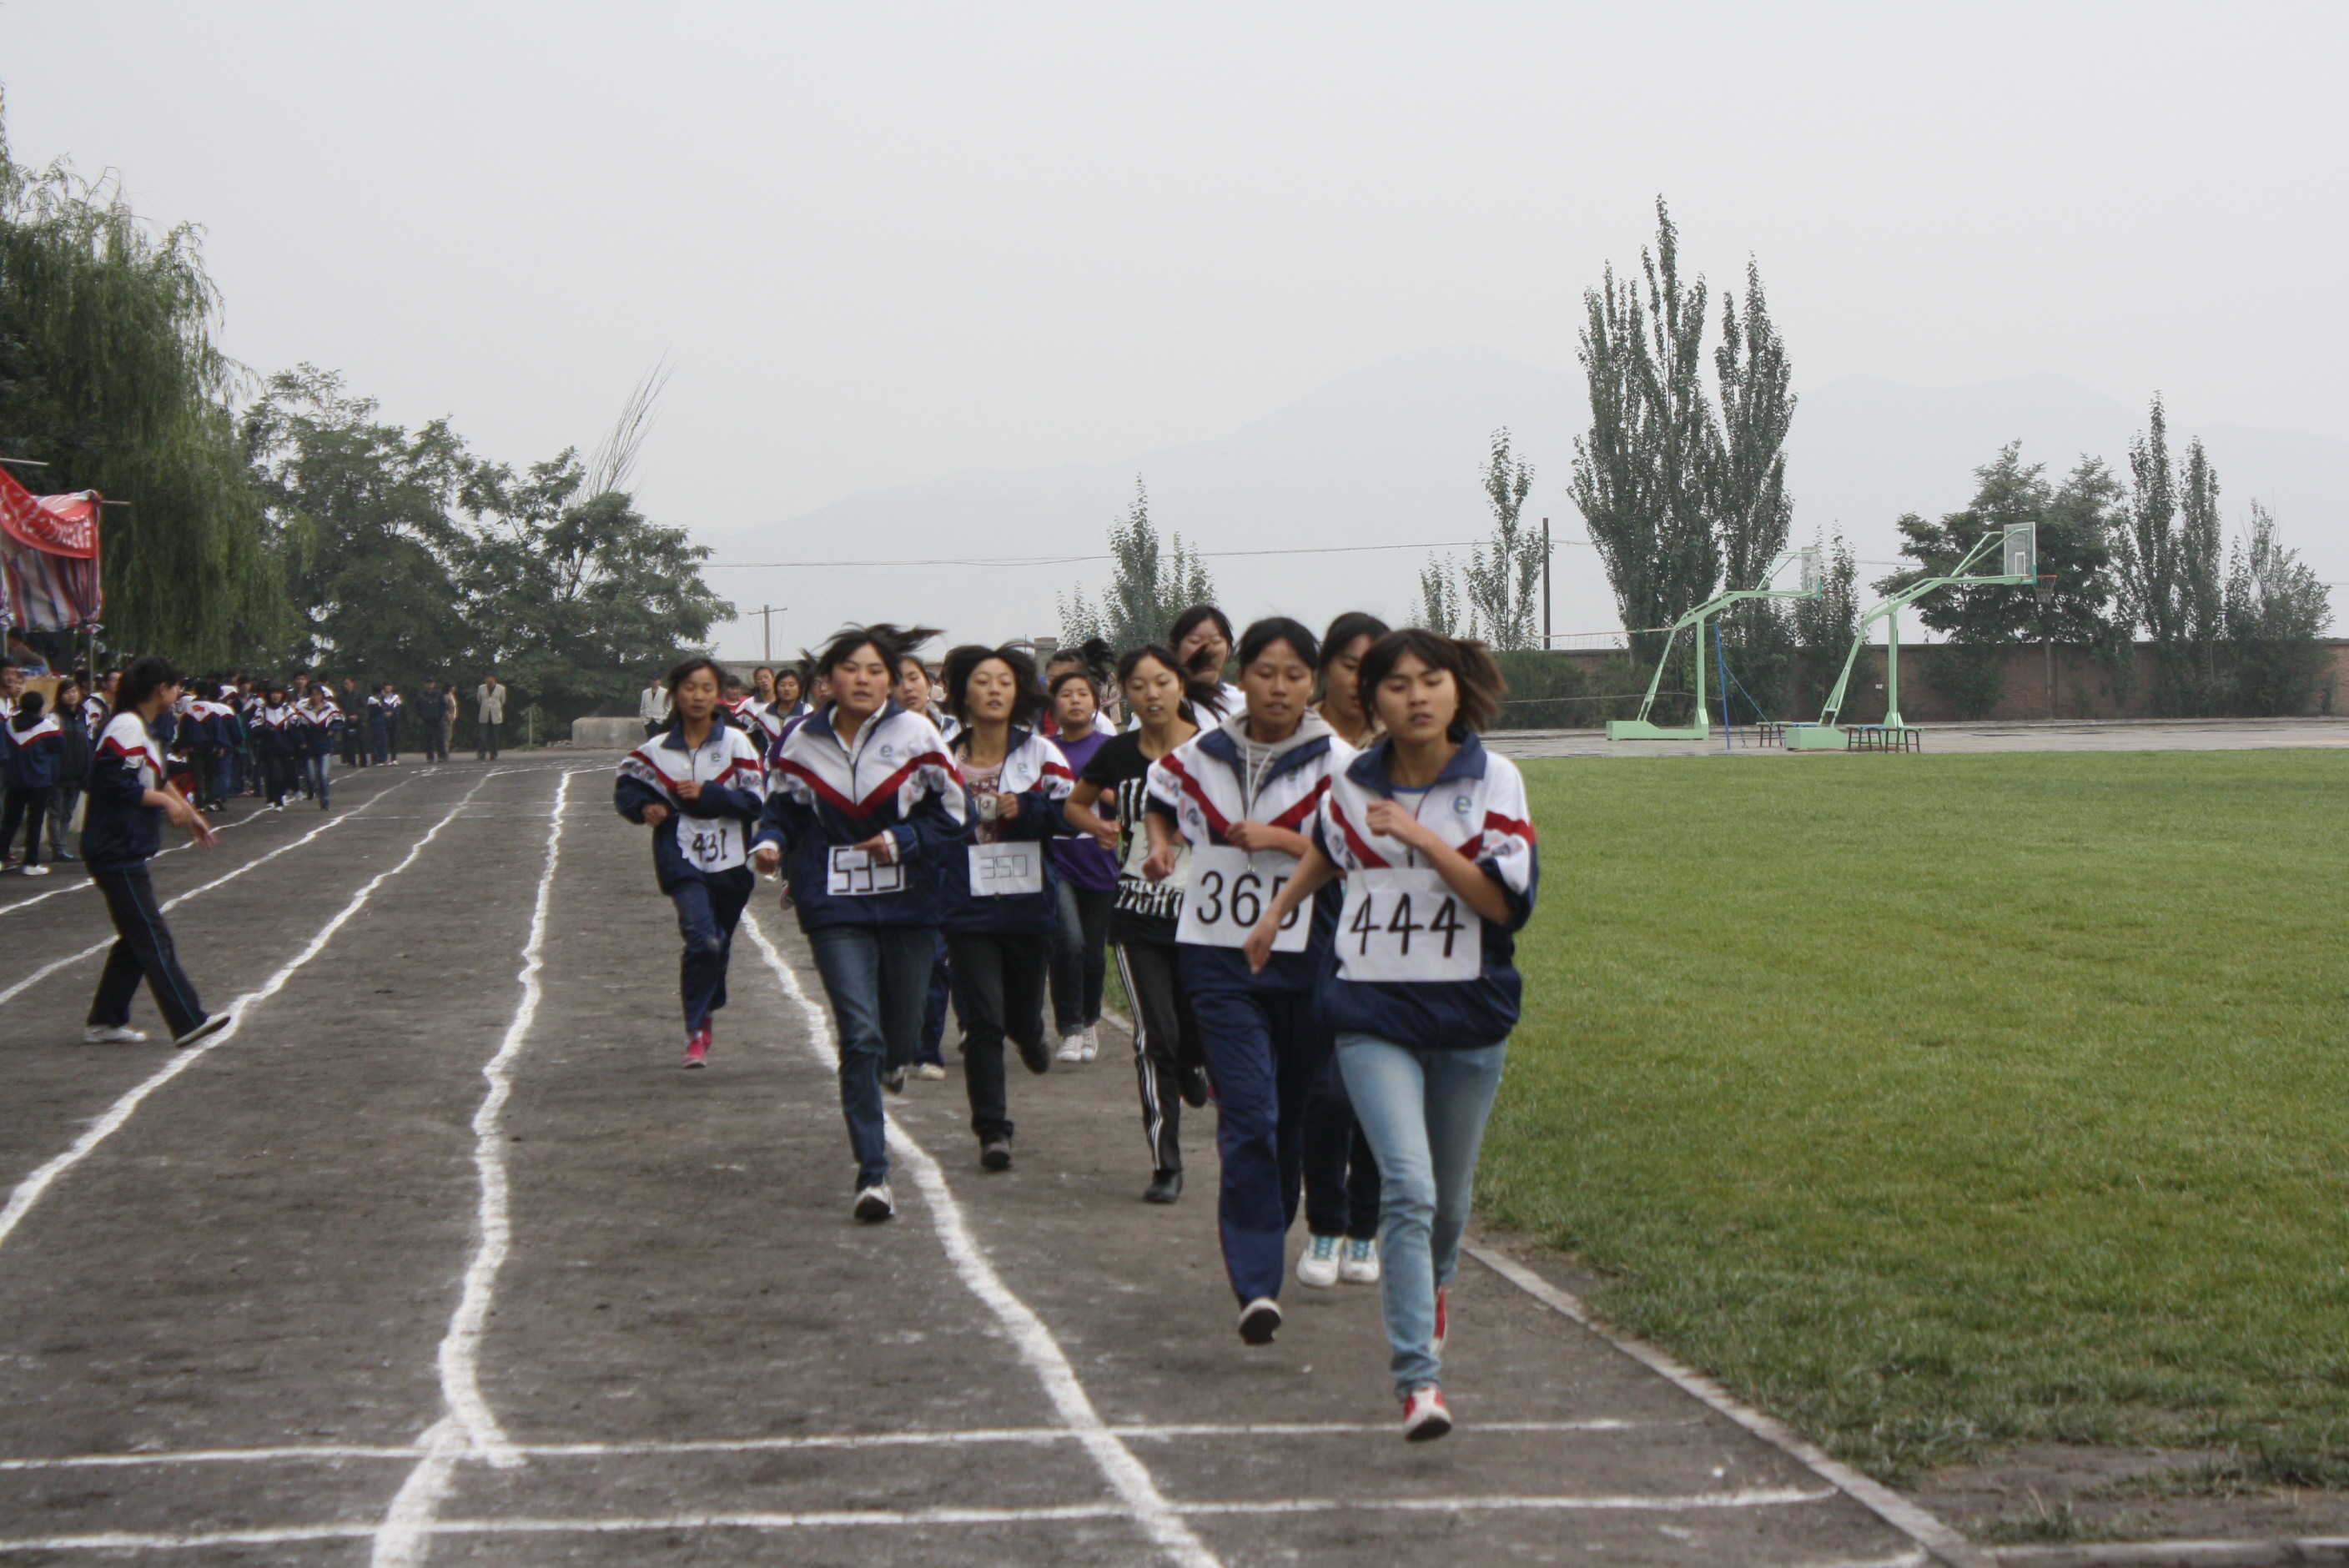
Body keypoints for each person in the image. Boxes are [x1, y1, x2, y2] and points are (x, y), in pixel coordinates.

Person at [1244, 630, 1538, 1441]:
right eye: (1396, 684)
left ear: (1456, 689)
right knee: (1407, 1186)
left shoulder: (1495, 780)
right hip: (1371, 1011)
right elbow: (1329, 850)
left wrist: (1424, 840)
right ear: (1367, 697)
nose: (1415, 697)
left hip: (1468, 1013)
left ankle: (1433, 1288)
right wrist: (1277, 911)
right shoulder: (1351, 781)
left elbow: (1502, 905)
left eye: (1430, 681)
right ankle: (1418, 1380)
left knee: (1448, 1202)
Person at [1143, 617, 1351, 1344]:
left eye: (1295, 675)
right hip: (1219, 960)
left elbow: (1356, 854)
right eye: (1266, 672)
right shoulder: (1201, 755)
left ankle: (1272, 1217)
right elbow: (1159, 798)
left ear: (1313, 683)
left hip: (1307, 959)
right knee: (1249, 1114)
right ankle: (1258, 1283)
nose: (1279, 688)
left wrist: (1285, 841)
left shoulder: (1342, 765)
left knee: (1289, 1117)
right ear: (1243, 676)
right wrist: (1161, 847)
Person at [752, 624, 962, 1222]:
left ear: (891, 681)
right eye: (851, 669)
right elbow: (782, 810)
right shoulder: (800, 743)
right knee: (859, 1034)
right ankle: (873, 1175)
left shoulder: (917, 734)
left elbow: (955, 816)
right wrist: (770, 842)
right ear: (827, 680)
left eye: (876, 670)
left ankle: (898, 1058)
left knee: (899, 1034)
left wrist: (902, 840)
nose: (863, 680)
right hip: (834, 905)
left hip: (909, 902)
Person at [1065, 645, 1211, 1204]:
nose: (1152, 694)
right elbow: (1074, 805)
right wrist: (1100, 829)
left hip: (1203, 915)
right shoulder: (1118, 753)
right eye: (1139, 685)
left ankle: (1194, 1058)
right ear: (1123, 694)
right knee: (1155, 1037)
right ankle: (1165, 1163)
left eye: (1162, 682)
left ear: (1180, 686)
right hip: (1137, 913)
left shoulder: (1211, 750)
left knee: (1192, 1029)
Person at [939, 641, 1077, 1171]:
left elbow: (1072, 814)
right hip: (967, 906)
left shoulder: (1040, 754)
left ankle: (1033, 1032)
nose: (994, 690)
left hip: (1026, 905)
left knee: (1019, 1013)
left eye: (1004, 681)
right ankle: (993, 1130)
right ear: (962, 695)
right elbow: (924, 820)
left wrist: (1029, 808)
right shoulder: (943, 758)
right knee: (982, 1022)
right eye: (982, 681)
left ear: (1018, 692)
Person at [1296, 611, 1391, 1290]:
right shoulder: (1294, 741)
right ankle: (1325, 1224)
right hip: (1311, 924)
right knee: (1327, 1090)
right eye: (1351, 665)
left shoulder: (1405, 747)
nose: (1361, 681)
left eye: (1374, 669)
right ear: (1326, 667)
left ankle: (1365, 1228)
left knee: (1380, 1087)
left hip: (1392, 929)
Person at [616, 657, 770, 1068]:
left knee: (719, 943)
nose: (698, 696)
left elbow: (754, 802)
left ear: (717, 694)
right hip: (680, 855)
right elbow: (626, 788)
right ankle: (697, 1027)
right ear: (675, 694)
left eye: (706, 688)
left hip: (732, 862)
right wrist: (644, 807)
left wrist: (709, 795)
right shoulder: (655, 750)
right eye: (689, 688)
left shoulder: (737, 744)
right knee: (703, 938)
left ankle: (707, 999)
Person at [81, 655, 232, 1048]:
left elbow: (158, 778)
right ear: (160, 689)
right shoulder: (126, 726)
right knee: (151, 936)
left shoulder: (142, 729)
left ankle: (105, 1019)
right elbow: (114, 782)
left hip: (126, 846)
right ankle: (188, 1020)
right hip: (114, 847)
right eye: (176, 686)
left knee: (135, 937)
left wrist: (191, 813)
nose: (179, 693)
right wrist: (166, 804)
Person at [1045, 666, 1117, 1063]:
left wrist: (1099, 792)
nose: (1074, 700)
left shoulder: (1111, 748)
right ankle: (1070, 1028)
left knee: (1092, 951)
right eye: (1066, 694)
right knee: (1067, 943)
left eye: (1082, 693)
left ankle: (1090, 1020)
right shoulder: (1042, 749)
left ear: (1095, 702)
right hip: (1056, 858)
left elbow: (1129, 801)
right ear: (1053, 705)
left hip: (1099, 858)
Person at [894, 653, 958, 1080]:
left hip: (942, 856)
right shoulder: (875, 739)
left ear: (930, 683)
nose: (908, 687)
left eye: (915, 678)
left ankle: (927, 1048)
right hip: (889, 857)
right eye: (898, 680)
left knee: (937, 957)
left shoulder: (953, 732)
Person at [3, 691, 63, 875]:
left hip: (15, 779)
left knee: (10, 821)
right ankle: (31, 863)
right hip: (39, 780)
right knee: (35, 822)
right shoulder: (47, 726)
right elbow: (59, 747)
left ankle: (1, 857)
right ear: (40, 707)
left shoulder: (9, 724)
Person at [1168, 604, 1245, 722]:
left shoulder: (1246, 705)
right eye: (1195, 641)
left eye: (1216, 641)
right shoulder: (1163, 706)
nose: (1207, 651)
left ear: (1228, 648)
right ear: (1176, 648)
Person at [47, 675, 90, 862]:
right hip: (58, 772)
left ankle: (62, 845)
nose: (71, 695)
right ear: (60, 696)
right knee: (56, 811)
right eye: (67, 692)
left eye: (74, 691)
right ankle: (58, 848)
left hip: (77, 772)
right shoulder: (54, 717)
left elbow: (86, 743)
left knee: (67, 812)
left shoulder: (82, 715)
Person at [296, 684, 340, 809]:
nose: (315, 697)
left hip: (324, 745)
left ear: (322, 695)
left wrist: (332, 729)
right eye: (313, 695)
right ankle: (313, 790)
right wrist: (302, 741)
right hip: (309, 746)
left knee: (323, 775)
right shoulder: (303, 709)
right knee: (311, 776)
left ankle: (325, 800)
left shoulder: (330, 707)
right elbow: (298, 727)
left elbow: (339, 720)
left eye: (318, 694)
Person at [475, 673, 506, 760]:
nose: (488, 680)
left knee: (495, 736)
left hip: (496, 715)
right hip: (484, 714)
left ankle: (494, 754)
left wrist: (496, 707)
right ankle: (481, 754)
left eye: (490, 678)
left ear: (494, 679)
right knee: (482, 735)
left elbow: (503, 701)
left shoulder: (501, 688)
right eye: (487, 679)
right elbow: (479, 699)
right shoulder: (481, 688)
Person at [421, 679, 451, 762]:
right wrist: (423, 716)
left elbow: (443, 706)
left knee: (440, 739)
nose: (429, 685)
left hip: (438, 720)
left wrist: (440, 716)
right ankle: (430, 757)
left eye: (431, 683)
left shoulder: (439, 694)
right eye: (428, 683)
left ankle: (441, 756)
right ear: (425, 684)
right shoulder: (422, 695)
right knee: (429, 739)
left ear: (434, 684)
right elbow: (418, 706)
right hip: (427, 720)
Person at [638, 672, 671, 739]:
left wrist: (664, 718)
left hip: (660, 720)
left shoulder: (665, 692)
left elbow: (669, 707)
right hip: (648, 720)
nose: (654, 682)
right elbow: (642, 706)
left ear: (660, 681)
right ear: (650, 681)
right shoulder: (645, 692)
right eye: (653, 680)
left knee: (658, 739)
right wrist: (643, 718)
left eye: (656, 680)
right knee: (650, 739)